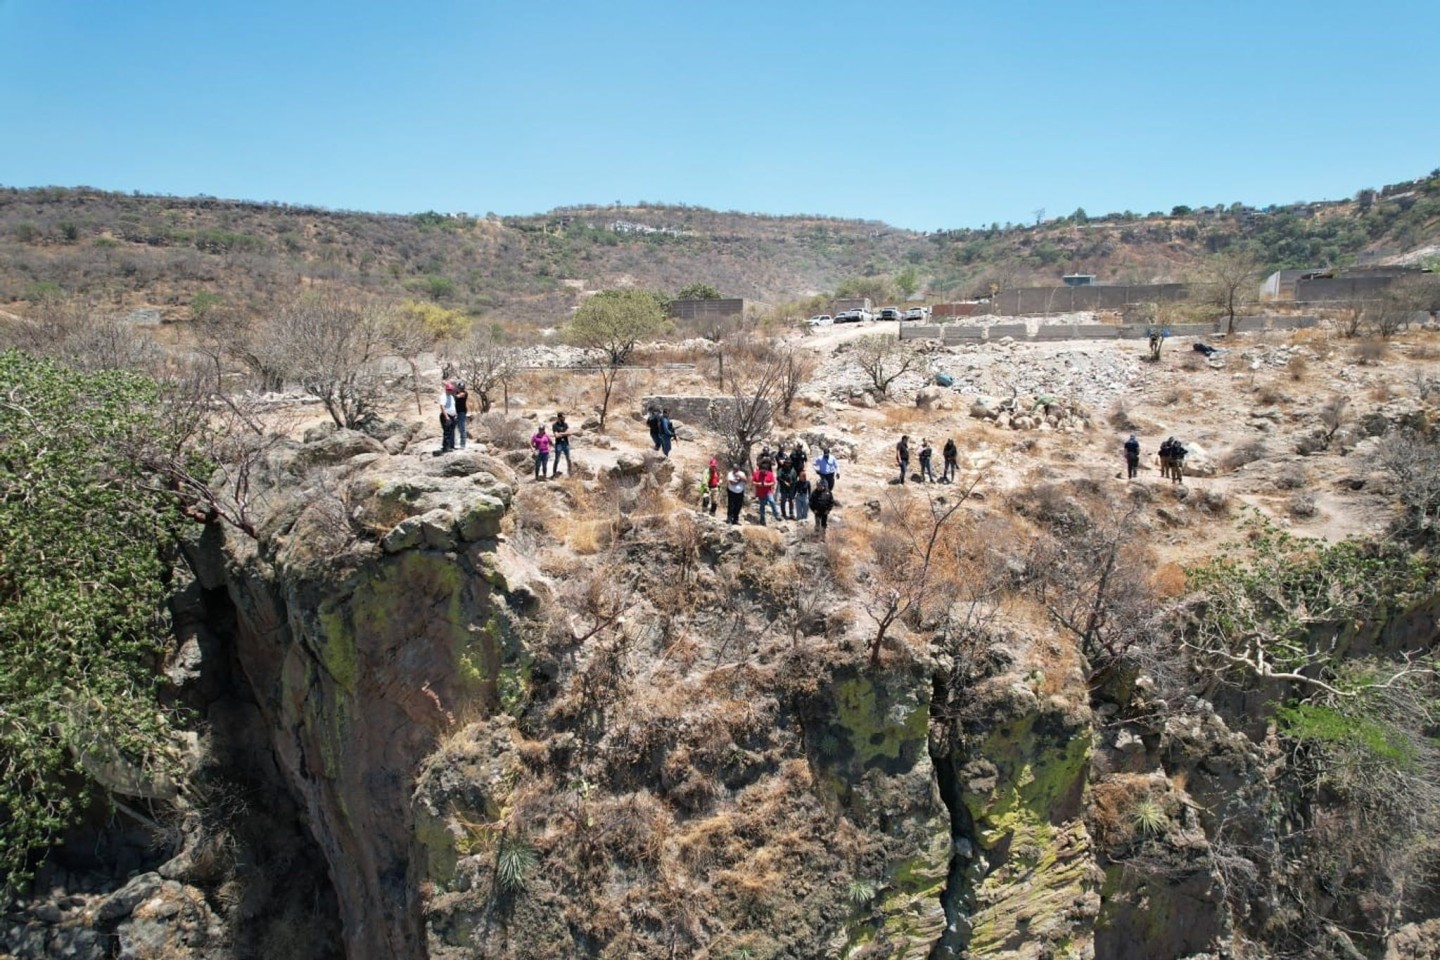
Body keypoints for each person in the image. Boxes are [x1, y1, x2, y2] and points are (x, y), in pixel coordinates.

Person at [753, 461, 780, 525]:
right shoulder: (756, 474)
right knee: (762, 506)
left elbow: (773, 482)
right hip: (760, 493)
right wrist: (758, 484)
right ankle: (762, 519)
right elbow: (753, 482)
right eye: (762, 470)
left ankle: (776, 514)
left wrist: (767, 484)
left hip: (768, 492)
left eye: (764, 470)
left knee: (772, 501)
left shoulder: (770, 474)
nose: (763, 472)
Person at [438, 381, 458, 453]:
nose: (450, 391)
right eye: (449, 390)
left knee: (452, 431)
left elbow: (453, 406)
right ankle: (445, 447)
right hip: (446, 416)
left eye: (451, 390)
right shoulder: (443, 396)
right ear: (446, 389)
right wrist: (446, 417)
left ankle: (450, 446)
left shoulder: (451, 397)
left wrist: (455, 414)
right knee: (447, 432)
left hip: (453, 416)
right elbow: (442, 407)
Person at [551, 412, 572, 477]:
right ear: (559, 417)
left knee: (568, 458)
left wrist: (561, 433)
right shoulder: (554, 425)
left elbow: (570, 433)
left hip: (566, 443)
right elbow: (556, 436)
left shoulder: (565, 424)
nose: (564, 418)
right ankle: (554, 473)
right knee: (557, 459)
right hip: (558, 444)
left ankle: (570, 472)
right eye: (563, 417)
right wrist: (565, 433)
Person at [453, 381, 470, 449]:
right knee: (454, 427)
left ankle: (463, 444)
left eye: (462, 388)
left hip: (461, 412)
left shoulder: (464, 393)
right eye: (460, 388)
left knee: (462, 427)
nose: (461, 389)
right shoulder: (455, 393)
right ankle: (455, 442)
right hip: (455, 412)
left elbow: (457, 397)